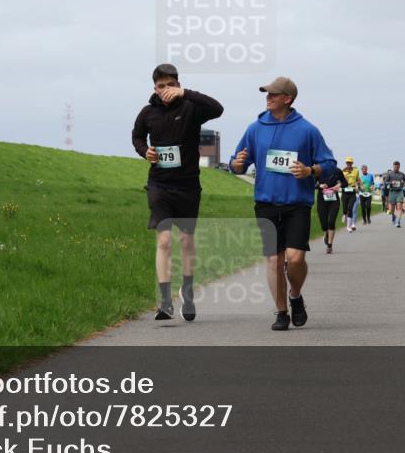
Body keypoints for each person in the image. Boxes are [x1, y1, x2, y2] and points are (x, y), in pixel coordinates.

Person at [229, 76, 336, 331]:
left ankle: (295, 296)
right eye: (267, 94)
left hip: (297, 203)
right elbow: (236, 163)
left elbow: (331, 166)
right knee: (275, 261)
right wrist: (238, 162)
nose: (268, 98)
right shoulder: (255, 128)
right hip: (265, 203)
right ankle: (281, 312)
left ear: (287, 99)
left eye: (273, 94)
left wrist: (310, 170)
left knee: (295, 258)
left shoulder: (307, 130)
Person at [132, 63, 224, 321]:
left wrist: (186, 93)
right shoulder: (147, 112)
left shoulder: (191, 108)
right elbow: (137, 136)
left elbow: (217, 108)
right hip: (159, 184)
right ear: (154, 88)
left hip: (188, 185)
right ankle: (164, 301)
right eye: (161, 86)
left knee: (185, 240)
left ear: (178, 84)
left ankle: (187, 290)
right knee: (163, 240)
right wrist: (145, 151)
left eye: (170, 85)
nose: (165, 90)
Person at [316, 163, 348, 253]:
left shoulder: (337, 171)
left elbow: (345, 183)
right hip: (322, 199)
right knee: (324, 224)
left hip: (334, 199)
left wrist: (339, 185)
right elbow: (312, 184)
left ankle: (329, 246)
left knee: (331, 221)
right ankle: (326, 233)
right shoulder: (319, 171)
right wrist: (320, 186)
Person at [385, 161, 405, 228]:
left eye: (397, 167)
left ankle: (398, 221)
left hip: (399, 191)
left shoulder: (402, 174)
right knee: (392, 209)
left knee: (399, 206)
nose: (396, 168)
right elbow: (385, 182)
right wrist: (390, 182)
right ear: (393, 166)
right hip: (392, 191)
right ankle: (393, 216)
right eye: (395, 167)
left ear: (399, 167)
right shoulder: (390, 174)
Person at [341, 156, 360, 232]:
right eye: (347, 162)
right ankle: (344, 214)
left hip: (352, 191)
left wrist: (359, 185)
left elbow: (358, 180)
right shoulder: (343, 171)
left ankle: (348, 226)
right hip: (344, 191)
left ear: (352, 163)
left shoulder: (356, 171)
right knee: (345, 209)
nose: (348, 163)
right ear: (346, 163)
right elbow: (339, 180)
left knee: (350, 208)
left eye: (350, 162)